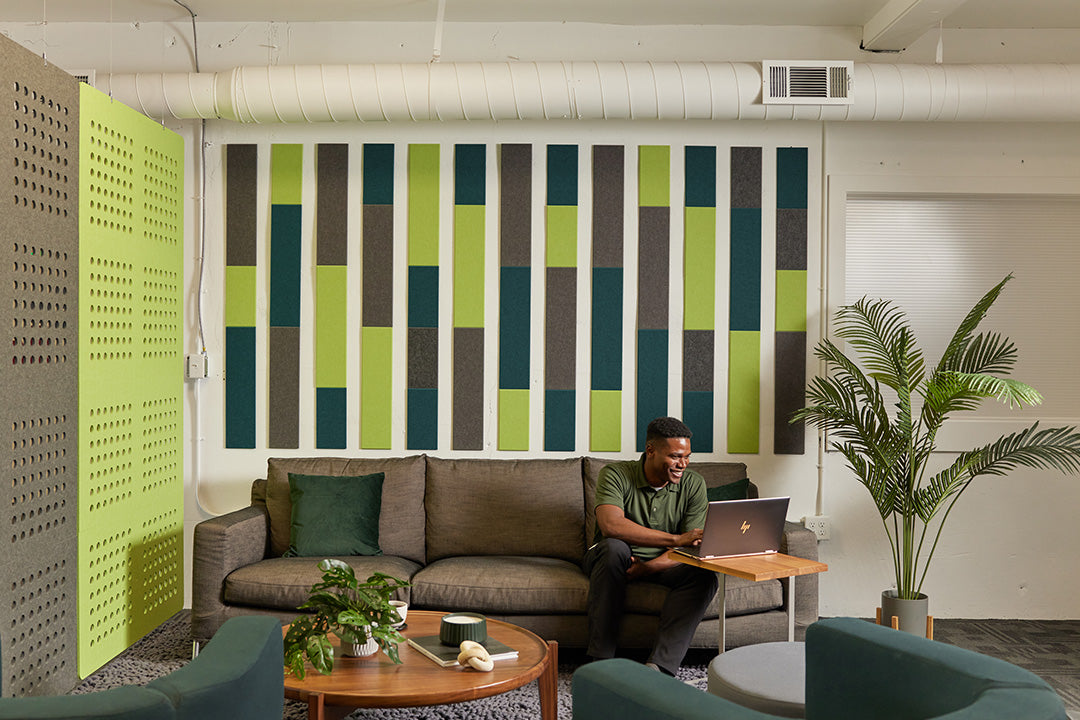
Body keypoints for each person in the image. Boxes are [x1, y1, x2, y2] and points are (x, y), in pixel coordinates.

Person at [583, 416, 718, 675]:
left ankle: (659, 668)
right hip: (611, 558)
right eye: (676, 456)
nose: (683, 464)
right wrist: (675, 538)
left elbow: (691, 546)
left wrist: (648, 568)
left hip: (665, 562)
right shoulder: (615, 474)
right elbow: (612, 526)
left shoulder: (693, 484)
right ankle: (600, 664)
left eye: (687, 456)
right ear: (650, 450)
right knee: (614, 548)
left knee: (704, 574)